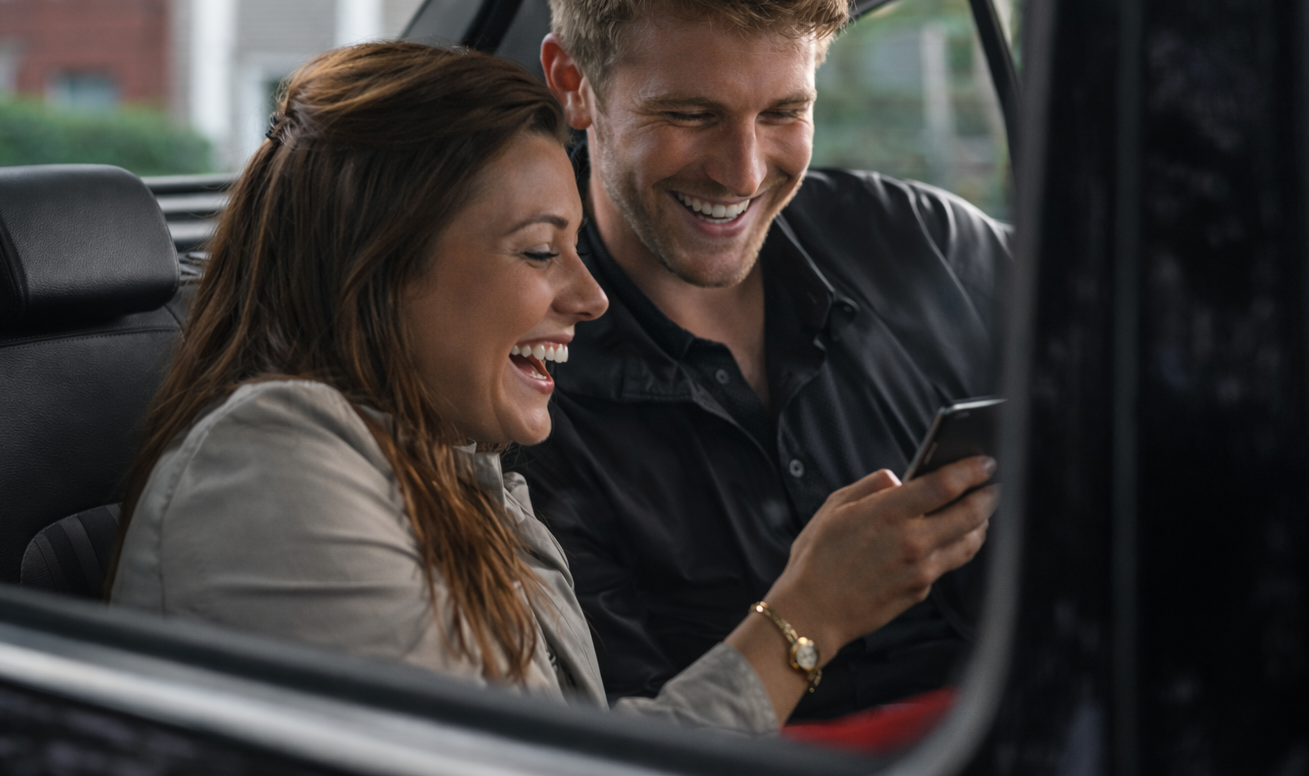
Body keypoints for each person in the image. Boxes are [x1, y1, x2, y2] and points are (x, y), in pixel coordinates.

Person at [107, 42, 997, 735]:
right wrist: (806, 620)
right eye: (540, 251)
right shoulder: (272, 460)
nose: (591, 296)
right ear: (374, 270)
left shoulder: (456, 472)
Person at [511, 0, 1013, 719]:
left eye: (785, 112)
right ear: (574, 85)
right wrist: (809, 617)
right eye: (690, 114)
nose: (743, 172)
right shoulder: (516, 388)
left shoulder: (919, 239)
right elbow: (616, 743)